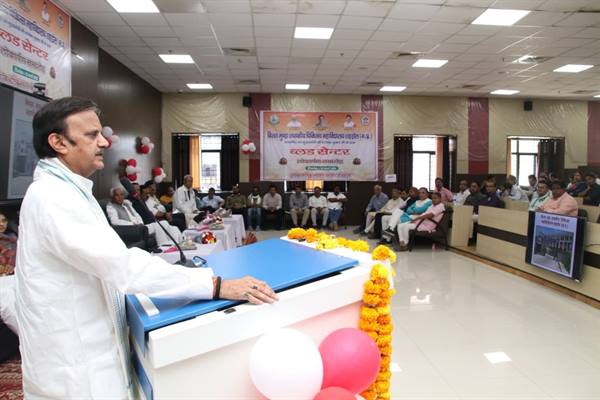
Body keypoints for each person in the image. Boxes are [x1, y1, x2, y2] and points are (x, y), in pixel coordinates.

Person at [16, 97, 278, 399]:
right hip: (75, 369)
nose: (104, 142)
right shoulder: (53, 197)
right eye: (91, 135)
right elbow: (122, 267)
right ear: (59, 142)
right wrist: (216, 285)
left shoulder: (69, 190)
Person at [107, 187, 183, 246]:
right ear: (112, 197)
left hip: (140, 227)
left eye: (121, 194)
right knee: (158, 226)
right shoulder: (111, 207)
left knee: (165, 223)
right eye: (117, 195)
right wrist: (133, 224)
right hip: (132, 230)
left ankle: (178, 245)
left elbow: (136, 214)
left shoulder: (126, 203)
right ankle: (163, 247)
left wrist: (140, 223)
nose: (120, 197)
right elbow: (114, 221)